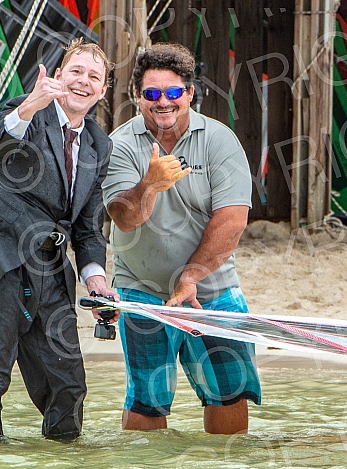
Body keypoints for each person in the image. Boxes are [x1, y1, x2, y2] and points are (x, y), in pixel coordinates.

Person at [0, 38, 119, 441]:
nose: (83, 82)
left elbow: (87, 225)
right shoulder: (26, 113)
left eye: (94, 77)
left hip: (48, 263)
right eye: (76, 72)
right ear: (59, 77)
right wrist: (31, 105)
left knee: (69, 385)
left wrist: (96, 278)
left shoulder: (100, 145)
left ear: (103, 91)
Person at [102, 43, 260, 435]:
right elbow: (124, 218)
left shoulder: (220, 141)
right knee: (147, 398)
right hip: (142, 290)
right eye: (152, 94)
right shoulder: (119, 144)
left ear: (190, 93)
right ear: (137, 96)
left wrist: (192, 276)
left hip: (213, 291)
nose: (163, 103)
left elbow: (232, 220)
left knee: (229, 392)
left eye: (173, 92)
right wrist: (150, 184)